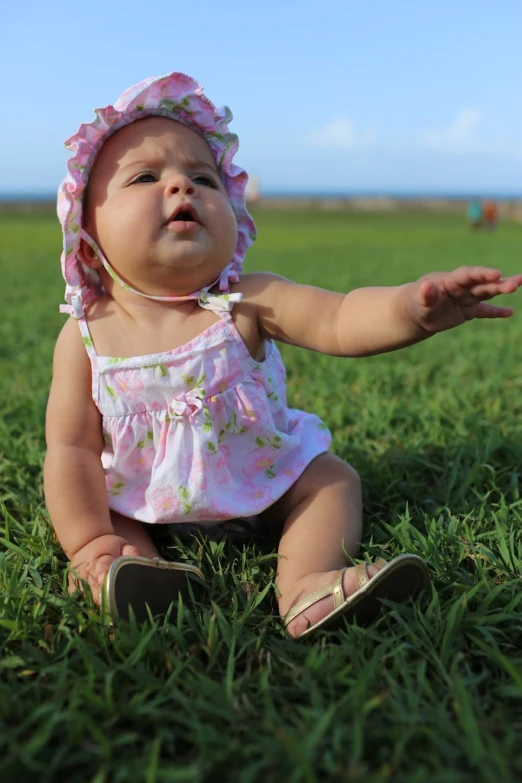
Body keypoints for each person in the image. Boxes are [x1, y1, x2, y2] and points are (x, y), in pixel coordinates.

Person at [44, 72, 522, 639]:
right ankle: (125, 571)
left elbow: (339, 319)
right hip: (146, 496)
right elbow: (71, 449)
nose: (182, 187)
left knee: (329, 480)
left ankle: (307, 586)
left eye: (203, 176)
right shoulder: (87, 336)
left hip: (261, 478)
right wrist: (90, 539)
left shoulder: (245, 300)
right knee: (111, 514)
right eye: (147, 176)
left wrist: (412, 311)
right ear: (88, 236)